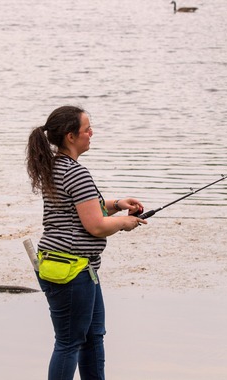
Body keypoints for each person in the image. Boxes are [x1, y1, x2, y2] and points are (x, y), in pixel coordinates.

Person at [25, 105, 147, 380]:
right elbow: (95, 225)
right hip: (72, 270)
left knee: (93, 336)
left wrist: (116, 204)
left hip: (78, 267)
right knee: (68, 343)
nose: (92, 133)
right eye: (86, 129)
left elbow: (82, 207)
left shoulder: (55, 166)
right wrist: (126, 223)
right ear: (71, 136)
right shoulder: (75, 172)